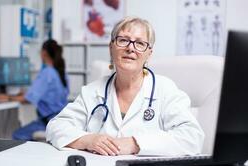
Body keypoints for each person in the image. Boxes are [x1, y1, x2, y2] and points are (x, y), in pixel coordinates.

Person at [46, 17, 204, 156]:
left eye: (140, 43)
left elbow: (192, 137)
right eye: (123, 40)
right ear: (111, 47)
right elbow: (56, 127)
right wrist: (88, 140)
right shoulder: (92, 92)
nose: (131, 48)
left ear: (149, 53)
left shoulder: (166, 90)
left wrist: (135, 144)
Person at [0, 39, 69, 141]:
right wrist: (24, 95)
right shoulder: (61, 73)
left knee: (17, 135)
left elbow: (28, 99)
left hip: (49, 122)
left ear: (44, 53)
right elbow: (47, 95)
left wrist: (7, 97)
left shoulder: (47, 73)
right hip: (61, 120)